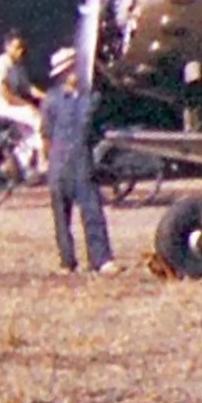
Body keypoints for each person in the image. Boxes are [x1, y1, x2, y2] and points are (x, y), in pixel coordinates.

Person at [40, 47, 118, 275]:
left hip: (81, 160)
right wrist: (48, 162)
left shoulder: (91, 98)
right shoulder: (51, 100)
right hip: (59, 161)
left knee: (92, 210)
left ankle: (101, 259)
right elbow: (46, 134)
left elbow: (97, 127)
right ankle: (67, 260)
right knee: (61, 217)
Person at [0, 29, 45, 170]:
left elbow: (28, 88)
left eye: (22, 48)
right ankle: (42, 161)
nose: (20, 51)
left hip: (12, 104)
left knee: (30, 134)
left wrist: (47, 96)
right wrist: (26, 105)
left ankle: (18, 167)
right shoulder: (1, 63)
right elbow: (4, 93)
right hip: (2, 104)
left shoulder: (18, 67)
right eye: (17, 47)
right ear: (7, 47)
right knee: (38, 119)